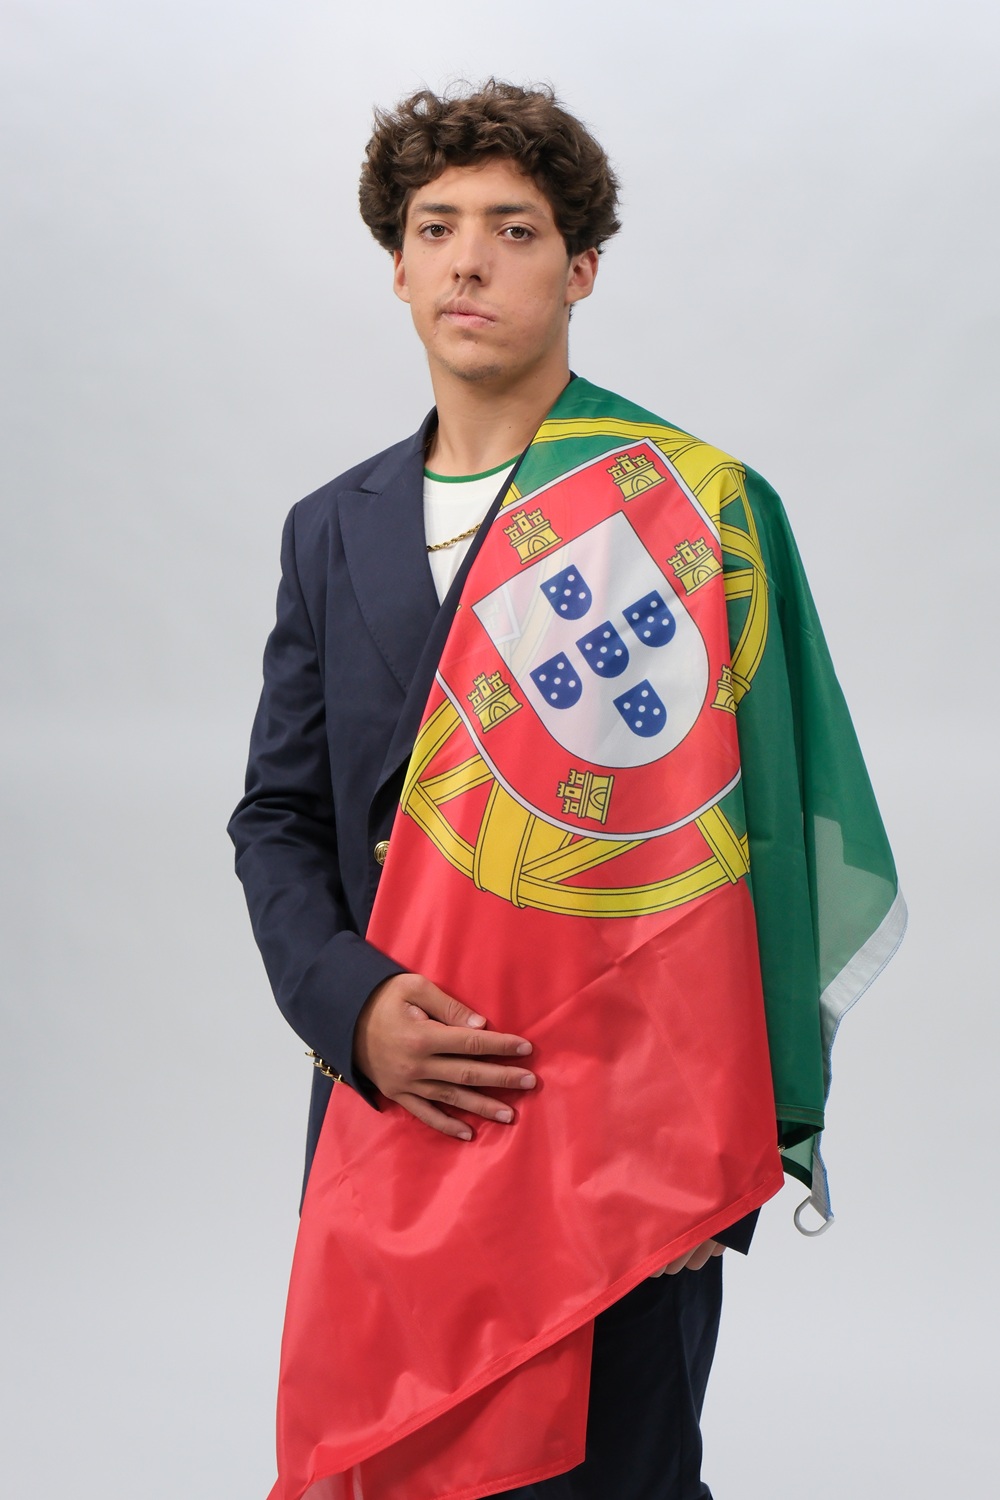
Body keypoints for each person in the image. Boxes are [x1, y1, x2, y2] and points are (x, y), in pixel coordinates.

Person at [228, 81, 903, 1500]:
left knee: (614, 1475)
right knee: (385, 1454)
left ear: (580, 266)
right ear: (398, 265)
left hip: (621, 1120)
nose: (470, 259)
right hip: (397, 1095)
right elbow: (279, 817)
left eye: (515, 228)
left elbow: (759, 823)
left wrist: (733, 1095)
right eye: (436, 227)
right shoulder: (328, 530)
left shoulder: (683, 500)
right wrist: (347, 1003)